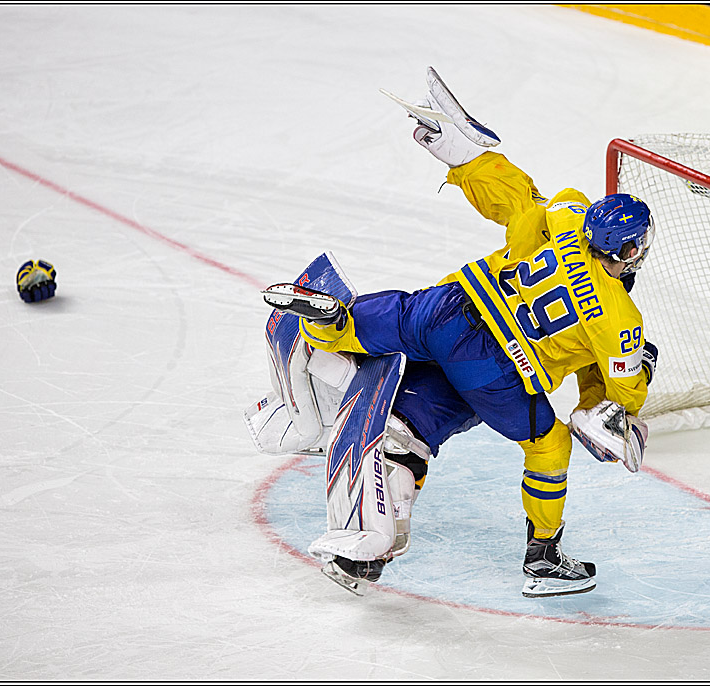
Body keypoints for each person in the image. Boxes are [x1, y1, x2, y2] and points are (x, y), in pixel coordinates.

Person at [266, 68, 657, 598]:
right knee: (548, 444)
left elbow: (516, 199)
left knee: (396, 364)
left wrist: (468, 160)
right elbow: (619, 392)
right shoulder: (620, 321)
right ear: (632, 251)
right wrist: (622, 399)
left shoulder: (567, 215)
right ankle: (542, 559)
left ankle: (332, 328)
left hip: (451, 307)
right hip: (495, 365)